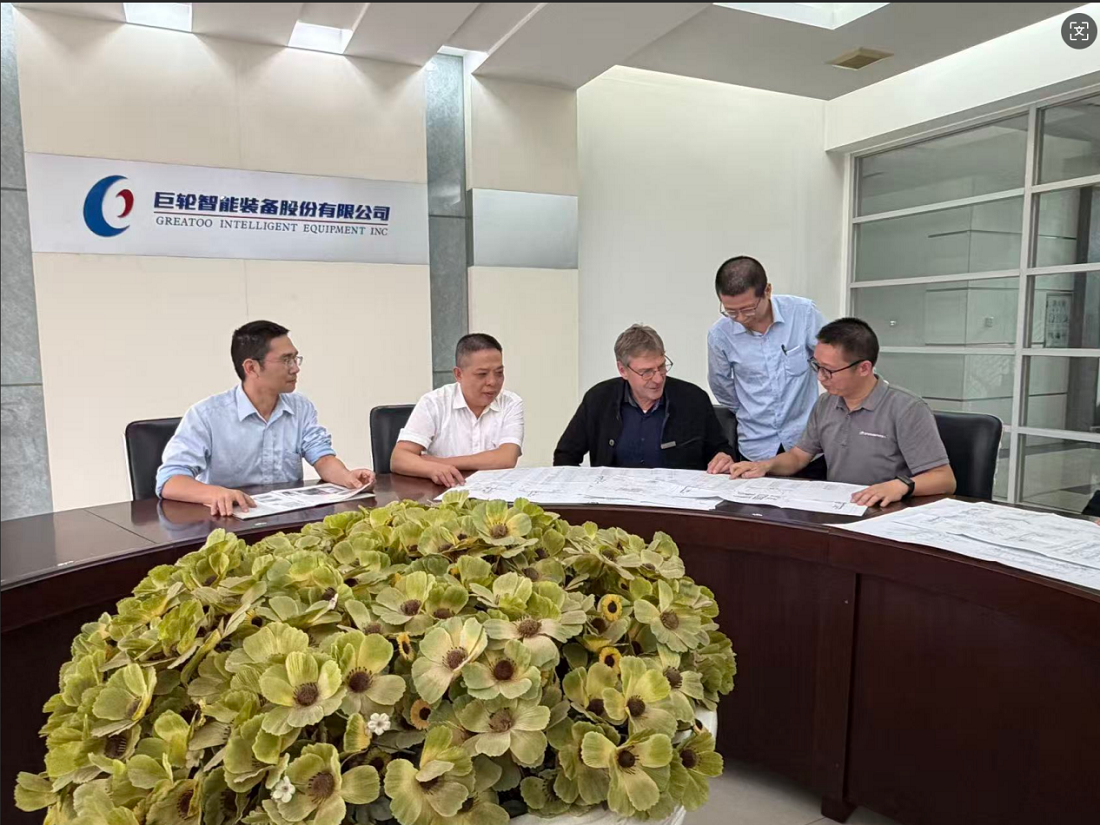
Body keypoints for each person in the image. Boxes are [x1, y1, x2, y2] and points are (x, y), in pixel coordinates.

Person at [728, 317, 957, 507]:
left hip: (887, 510)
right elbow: (798, 457)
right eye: (817, 366)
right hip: (840, 507)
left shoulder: (906, 409)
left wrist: (899, 486)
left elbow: (944, 479)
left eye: (829, 370)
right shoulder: (826, 403)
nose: (820, 377)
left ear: (864, 368)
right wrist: (765, 465)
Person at [157, 321, 374, 516]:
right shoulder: (207, 415)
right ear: (252, 368)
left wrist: (347, 477)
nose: (295, 368)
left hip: (286, 520)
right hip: (230, 524)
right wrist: (215, 493)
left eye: (295, 358)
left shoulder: (301, 407)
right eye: (286, 360)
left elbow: (322, 458)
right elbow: (170, 481)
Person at [707, 255, 828, 477]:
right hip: (755, 446)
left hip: (806, 444)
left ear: (767, 291)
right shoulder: (720, 334)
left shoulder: (803, 314)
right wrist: (750, 410)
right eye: (731, 311)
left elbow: (830, 362)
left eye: (748, 309)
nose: (740, 318)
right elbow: (721, 385)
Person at [554, 324, 734, 472]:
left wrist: (724, 458)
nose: (658, 379)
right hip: (615, 501)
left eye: (661, 367)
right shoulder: (598, 400)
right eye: (646, 372)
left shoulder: (693, 399)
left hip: (676, 501)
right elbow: (565, 455)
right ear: (623, 370)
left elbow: (721, 449)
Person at [391, 333, 523, 487]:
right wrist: (430, 469)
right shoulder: (434, 403)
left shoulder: (511, 403)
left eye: (499, 373)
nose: (492, 382)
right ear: (458, 374)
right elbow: (399, 458)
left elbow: (506, 458)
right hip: (443, 492)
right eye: (482, 374)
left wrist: (440, 462)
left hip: (495, 492)